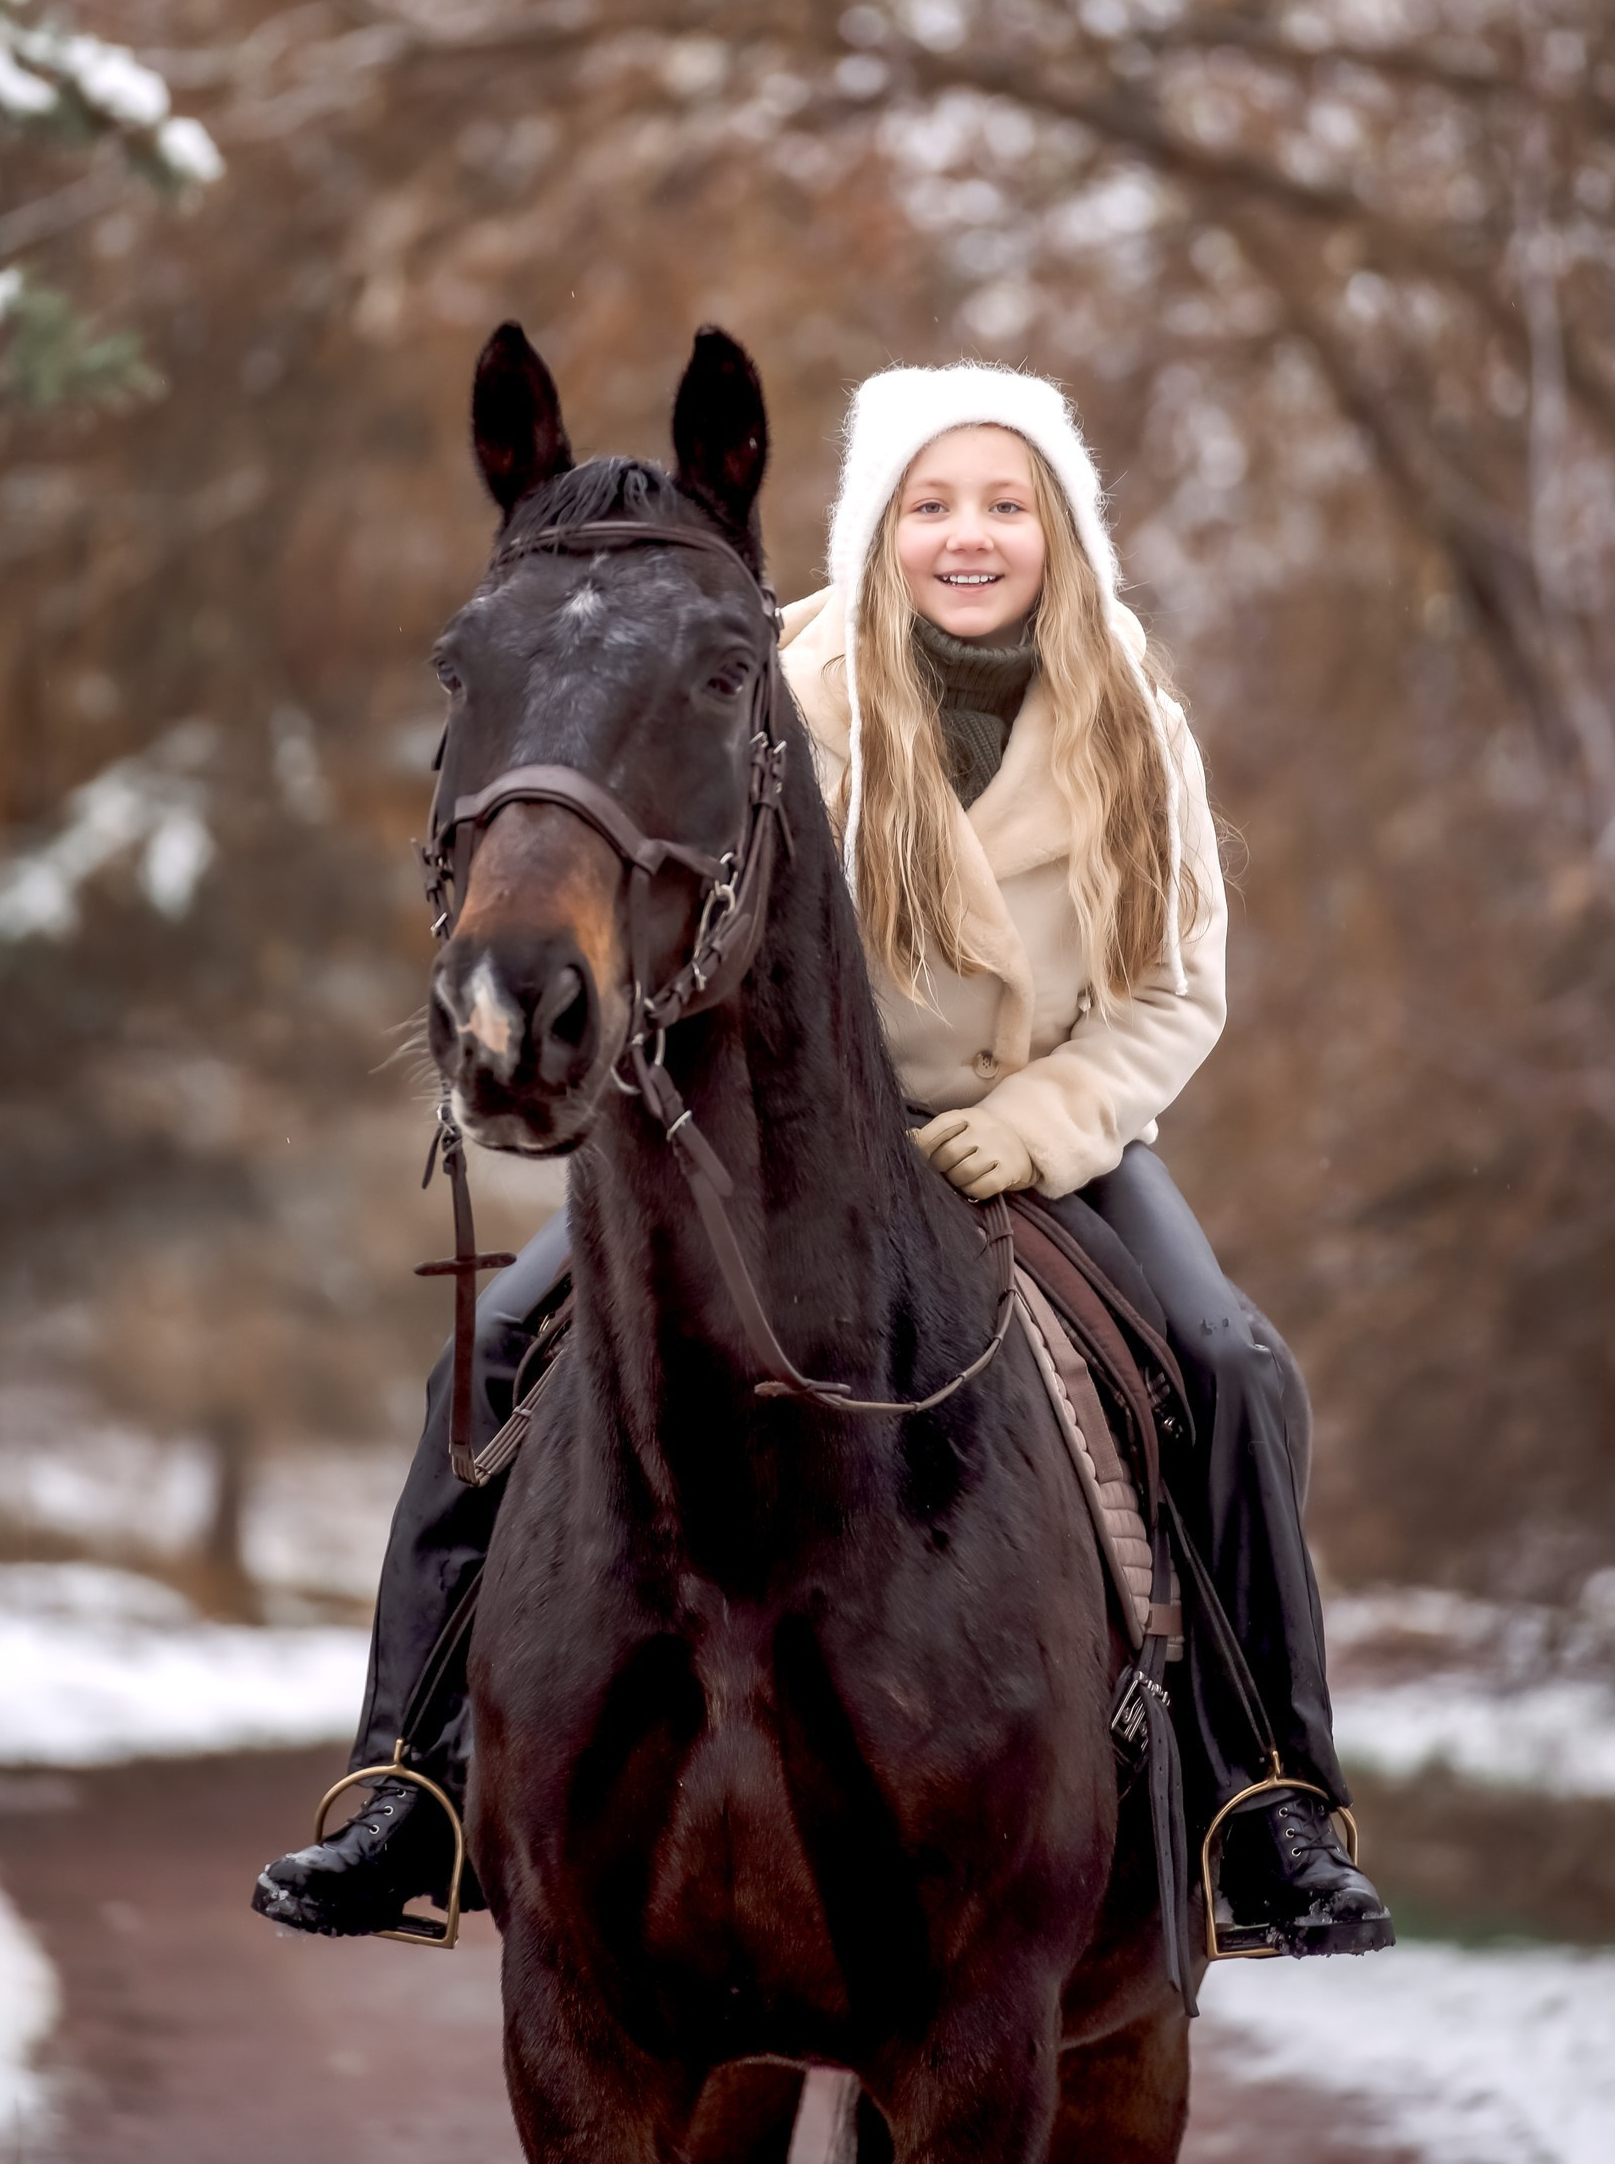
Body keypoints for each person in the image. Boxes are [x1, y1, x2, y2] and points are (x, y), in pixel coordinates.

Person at [253, 362, 1392, 1958]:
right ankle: (411, 1786)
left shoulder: (1137, 721)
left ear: (1059, 530)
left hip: (1038, 1142)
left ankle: (1265, 1802)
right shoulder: (777, 687)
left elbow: (1176, 987)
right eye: (933, 504)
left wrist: (1034, 1124)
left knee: (1232, 1359)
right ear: (878, 528)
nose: (969, 535)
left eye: (1006, 504)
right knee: (500, 1339)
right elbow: (695, 907)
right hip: (789, 1141)